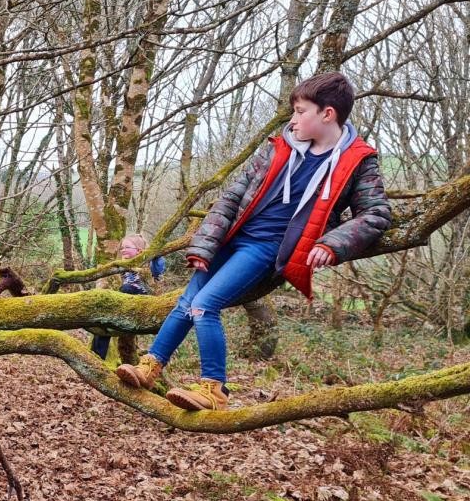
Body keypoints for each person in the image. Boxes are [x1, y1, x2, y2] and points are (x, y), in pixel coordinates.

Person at [116, 71, 391, 411]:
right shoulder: (277, 149)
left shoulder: (358, 160)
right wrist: (205, 245)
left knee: (204, 305)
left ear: (327, 114)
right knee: (186, 302)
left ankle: (214, 390)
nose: (293, 119)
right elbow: (231, 198)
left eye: (300, 111)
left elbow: (375, 214)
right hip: (232, 239)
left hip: (266, 248)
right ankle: (150, 368)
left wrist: (332, 243)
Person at [89, 234, 164, 361]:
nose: (123, 250)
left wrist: (153, 254)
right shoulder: (122, 265)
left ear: (139, 250)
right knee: (103, 322)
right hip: (126, 300)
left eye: (127, 247)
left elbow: (158, 267)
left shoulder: (147, 263)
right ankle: (96, 357)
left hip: (143, 301)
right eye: (122, 248)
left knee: (126, 289)